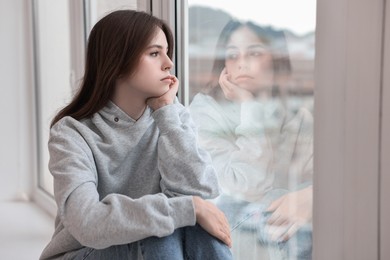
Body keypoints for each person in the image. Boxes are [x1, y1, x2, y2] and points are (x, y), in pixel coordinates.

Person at [40, 10, 232, 260]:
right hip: (83, 254)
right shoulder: (72, 133)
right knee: (161, 233)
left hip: (151, 250)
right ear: (118, 62)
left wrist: (166, 111)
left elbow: (200, 193)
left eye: (166, 52)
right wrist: (188, 208)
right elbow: (87, 222)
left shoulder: (173, 117)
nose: (168, 63)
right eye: (154, 53)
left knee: (199, 229)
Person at [189, 19, 313, 259]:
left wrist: (307, 199)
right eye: (232, 55)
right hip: (226, 230)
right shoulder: (205, 113)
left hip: (283, 234)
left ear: (276, 61)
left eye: (254, 53)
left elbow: (330, 183)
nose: (242, 63)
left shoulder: (297, 116)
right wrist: (249, 107)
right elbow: (244, 188)